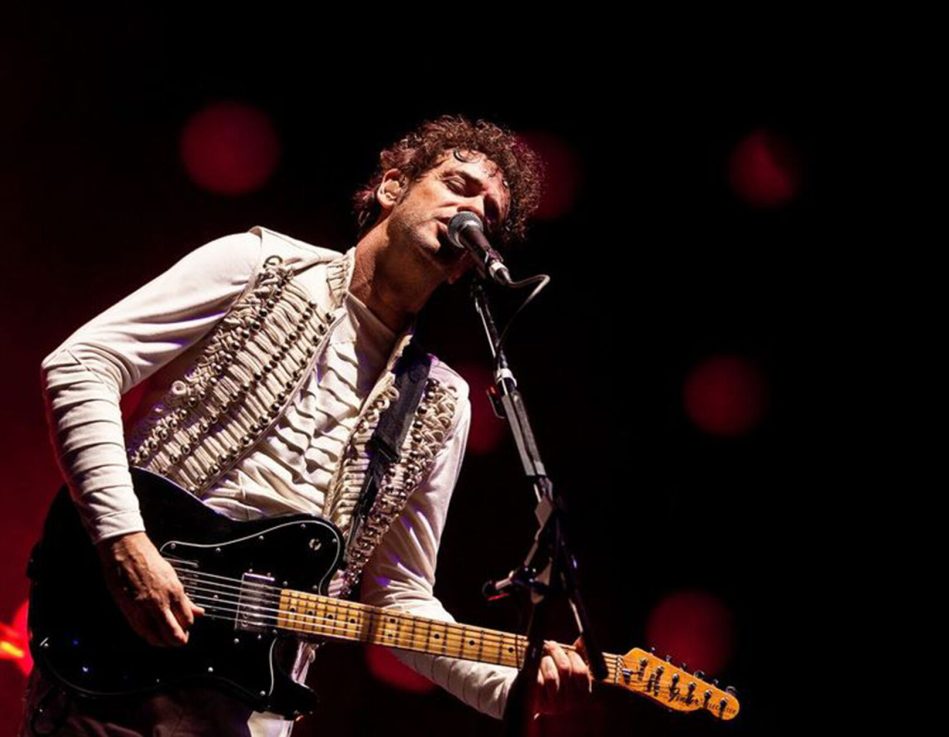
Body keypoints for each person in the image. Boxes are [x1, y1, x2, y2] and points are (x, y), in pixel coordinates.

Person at [22, 115, 591, 736]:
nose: (473, 211)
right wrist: (123, 543)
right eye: (458, 185)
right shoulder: (259, 263)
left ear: (467, 267)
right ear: (392, 187)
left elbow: (399, 595)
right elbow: (81, 367)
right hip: (116, 651)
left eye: (490, 212)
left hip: (250, 706)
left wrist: (509, 687)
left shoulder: (443, 401)